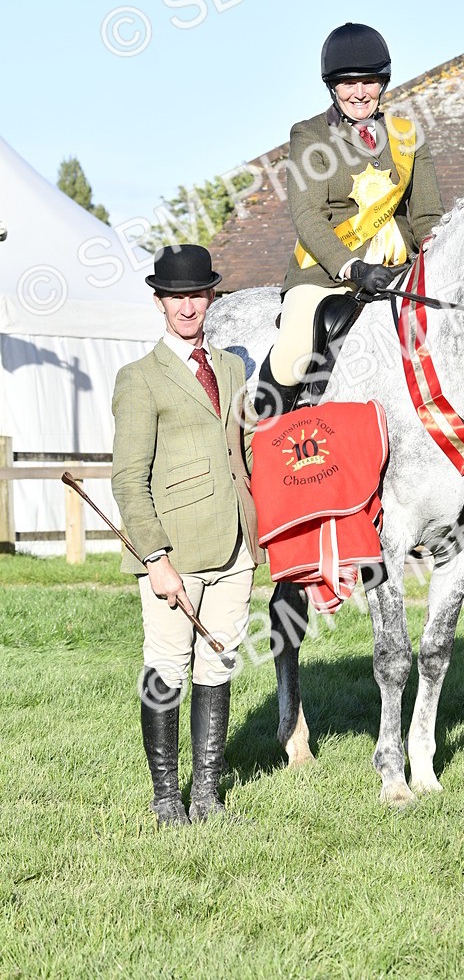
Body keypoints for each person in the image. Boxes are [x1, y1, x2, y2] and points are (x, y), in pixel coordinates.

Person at [111, 244, 264, 826]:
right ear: (159, 302)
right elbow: (128, 478)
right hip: (172, 552)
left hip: (235, 549)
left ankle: (207, 791)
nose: (187, 307)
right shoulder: (139, 379)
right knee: (167, 666)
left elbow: (245, 451)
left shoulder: (230, 368)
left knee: (217, 665)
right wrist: (154, 557)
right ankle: (166, 795)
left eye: (196, 295)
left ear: (210, 299)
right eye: (176, 297)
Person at [253, 21, 445, 419]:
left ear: (383, 83)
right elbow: (307, 215)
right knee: (293, 351)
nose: (359, 92)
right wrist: (353, 266)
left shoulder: (408, 136)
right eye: (348, 83)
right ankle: (262, 441)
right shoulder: (309, 135)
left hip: (399, 274)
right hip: (327, 275)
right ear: (332, 87)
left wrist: (434, 255)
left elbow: (427, 216)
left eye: (369, 81)